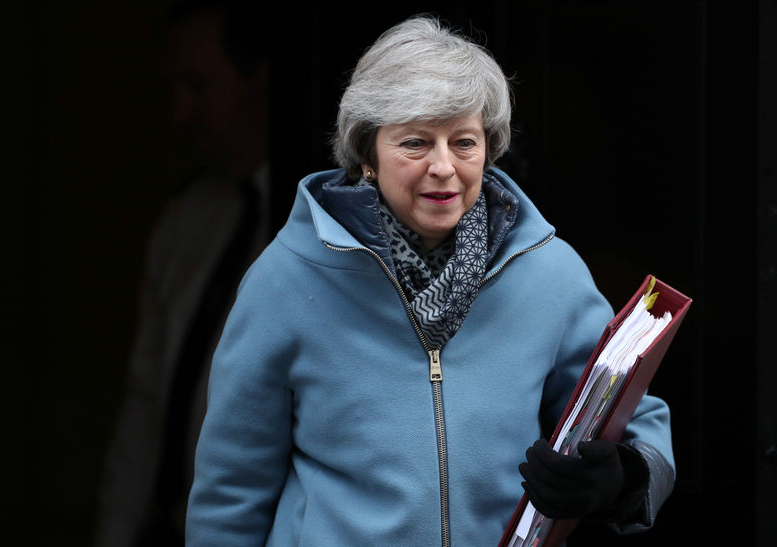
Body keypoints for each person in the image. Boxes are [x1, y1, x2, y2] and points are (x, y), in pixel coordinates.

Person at [185, 15, 675, 546]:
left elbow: (633, 416)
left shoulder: (548, 272)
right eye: (416, 143)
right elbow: (230, 493)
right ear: (367, 156)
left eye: (464, 142)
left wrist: (621, 478)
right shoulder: (285, 279)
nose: (444, 166)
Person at [94, 1, 277, 546]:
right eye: (174, 89)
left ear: (262, 80)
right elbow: (146, 402)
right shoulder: (190, 219)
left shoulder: (339, 228)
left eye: (197, 87)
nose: (179, 115)